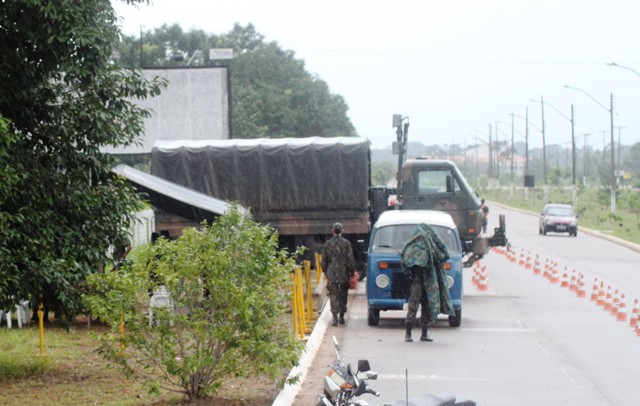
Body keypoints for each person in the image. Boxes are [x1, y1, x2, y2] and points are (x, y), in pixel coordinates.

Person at [401, 223, 454, 342]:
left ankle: (414, 333)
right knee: (420, 306)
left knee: (419, 306)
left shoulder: (411, 247)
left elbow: (406, 263)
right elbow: (444, 254)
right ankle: (416, 333)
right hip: (422, 282)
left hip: (420, 282)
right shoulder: (428, 248)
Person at [321, 222, 356, 327]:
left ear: (332, 231)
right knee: (343, 294)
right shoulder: (346, 243)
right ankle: (341, 316)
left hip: (332, 273)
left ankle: (335, 317)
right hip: (344, 273)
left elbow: (324, 261)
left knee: (333, 295)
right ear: (342, 231)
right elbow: (350, 258)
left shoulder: (327, 244)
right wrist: (352, 271)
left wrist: (326, 271)